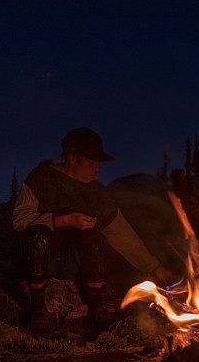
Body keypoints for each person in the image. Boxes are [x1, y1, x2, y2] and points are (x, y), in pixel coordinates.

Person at [13, 127, 169, 334]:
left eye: (98, 163)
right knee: (38, 235)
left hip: (73, 265)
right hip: (43, 260)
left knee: (92, 236)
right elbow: (19, 221)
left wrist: (154, 267)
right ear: (72, 157)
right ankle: (38, 308)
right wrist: (63, 220)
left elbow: (120, 232)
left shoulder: (96, 192)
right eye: (91, 161)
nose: (96, 168)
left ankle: (96, 308)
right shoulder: (41, 178)